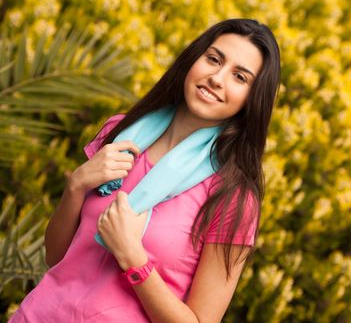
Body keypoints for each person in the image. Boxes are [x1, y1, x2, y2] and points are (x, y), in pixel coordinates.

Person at [8, 18, 280, 322]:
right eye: (213, 59)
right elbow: (56, 257)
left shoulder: (232, 197)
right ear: (194, 59)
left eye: (239, 77)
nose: (217, 78)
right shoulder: (120, 132)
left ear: (252, 99)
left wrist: (131, 256)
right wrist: (75, 187)